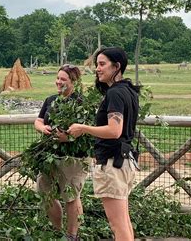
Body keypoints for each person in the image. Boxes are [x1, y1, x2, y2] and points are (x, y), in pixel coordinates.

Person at [67, 47, 140, 241]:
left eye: (102, 64)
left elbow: (114, 130)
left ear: (117, 67)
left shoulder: (115, 93)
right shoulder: (129, 91)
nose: (97, 69)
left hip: (112, 164)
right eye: (97, 64)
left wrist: (83, 128)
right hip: (124, 161)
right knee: (123, 221)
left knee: (118, 225)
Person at [34, 64, 89, 240]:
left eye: (63, 79)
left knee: (71, 196)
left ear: (74, 81)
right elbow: (38, 120)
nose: (58, 82)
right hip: (50, 156)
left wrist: (68, 138)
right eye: (57, 78)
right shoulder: (50, 100)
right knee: (44, 191)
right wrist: (43, 129)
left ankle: (72, 236)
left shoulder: (82, 103)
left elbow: (89, 132)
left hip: (73, 158)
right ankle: (57, 231)